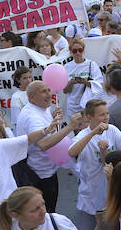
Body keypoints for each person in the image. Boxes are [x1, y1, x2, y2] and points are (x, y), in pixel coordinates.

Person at [68, 98, 121, 230]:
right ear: (89, 117)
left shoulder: (112, 130)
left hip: (111, 193)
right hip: (90, 196)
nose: (106, 117)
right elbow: (71, 152)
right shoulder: (82, 136)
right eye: (102, 115)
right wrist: (93, 133)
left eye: (107, 113)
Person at [14, 81, 83, 213]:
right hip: (39, 175)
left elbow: (43, 131)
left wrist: (52, 118)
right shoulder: (32, 116)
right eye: (43, 91)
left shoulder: (41, 108)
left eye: (49, 90)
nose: (49, 94)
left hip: (46, 170)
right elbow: (43, 144)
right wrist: (70, 126)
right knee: (45, 213)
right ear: (31, 97)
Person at [64, 38, 102, 117]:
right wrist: (70, 83)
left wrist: (84, 82)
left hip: (88, 105)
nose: (77, 53)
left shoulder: (92, 64)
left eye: (80, 50)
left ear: (83, 50)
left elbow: (99, 86)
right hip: (72, 106)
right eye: (74, 51)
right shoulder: (67, 67)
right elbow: (65, 91)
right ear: (71, 52)